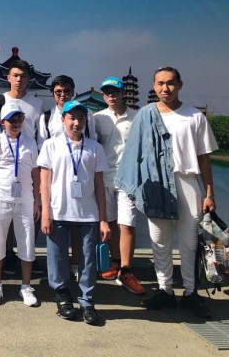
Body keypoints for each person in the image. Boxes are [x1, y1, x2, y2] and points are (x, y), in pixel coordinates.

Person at [116, 67, 217, 318]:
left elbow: (204, 158)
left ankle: (191, 292)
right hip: (157, 185)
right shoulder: (146, 115)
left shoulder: (194, 116)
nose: (165, 88)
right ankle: (165, 290)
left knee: (189, 242)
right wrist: (133, 189)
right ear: (154, 86)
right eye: (160, 83)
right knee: (160, 240)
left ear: (180, 85)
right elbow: (133, 154)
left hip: (187, 182)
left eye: (170, 83)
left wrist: (209, 193)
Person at [38, 100, 110, 326]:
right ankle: (62, 297)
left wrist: (104, 219)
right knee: (57, 258)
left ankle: (87, 301)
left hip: (88, 214)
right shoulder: (51, 145)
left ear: (86, 120)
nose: (76, 123)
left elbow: (99, 186)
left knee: (88, 260)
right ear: (63, 120)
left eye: (80, 118)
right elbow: (44, 183)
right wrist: (46, 212)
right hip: (59, 211)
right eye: (72, 118)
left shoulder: (95, 148)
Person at [0, 104, 40, 306]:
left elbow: (35, 172)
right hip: (0, 198)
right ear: (2, 122)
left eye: (19, 119)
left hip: (25, 199)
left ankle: (26, 286)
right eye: (11, 119)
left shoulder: (30, 142)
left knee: (27, 240)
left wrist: (37, 202)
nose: (16, 123)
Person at [93, 77, 144, 295]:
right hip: (105, 177)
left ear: (123, 93)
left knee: (127, 224)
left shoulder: (137, 116)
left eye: (115, 92)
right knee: (110, 223)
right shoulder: (97, 118)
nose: (111, 96)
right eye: (107, 92)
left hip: (128, 178)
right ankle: (114, 262)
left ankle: (126, 270)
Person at [38, 75, 96, 147]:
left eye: (66, 91)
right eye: (58, 91)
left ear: (73, 93)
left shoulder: (87, 113)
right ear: (53, 94)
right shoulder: (46, 117)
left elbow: (92, 139)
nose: (62, 94)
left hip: (81, 153)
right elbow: (42, 145)